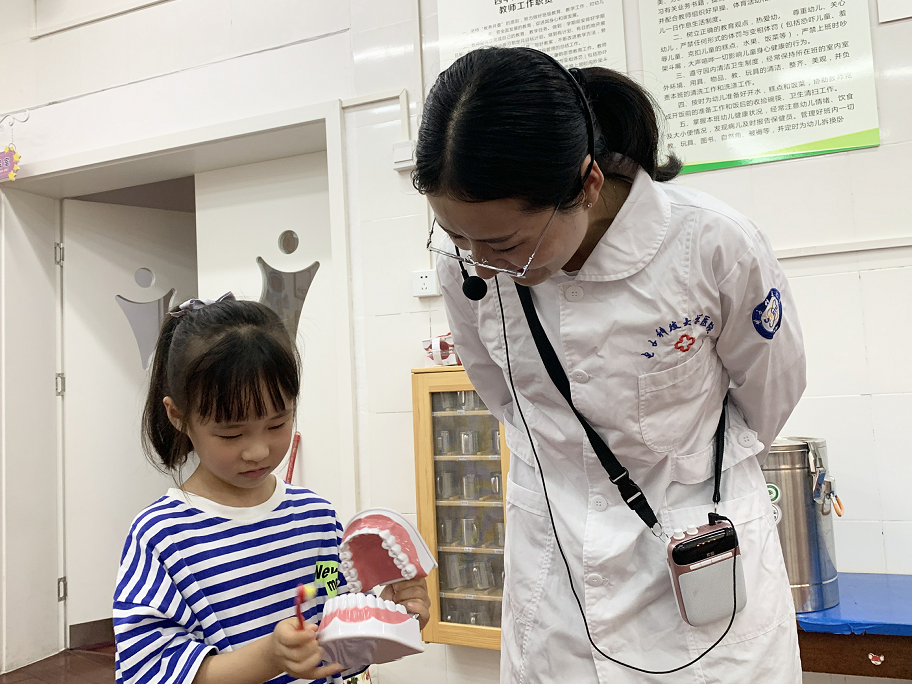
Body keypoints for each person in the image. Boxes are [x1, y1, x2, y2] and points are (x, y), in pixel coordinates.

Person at [414, 47, 806, 683]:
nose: (482, 264)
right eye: (458, 238)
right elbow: (503, 396)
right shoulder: (468, 270)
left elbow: (772, 392)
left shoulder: (711, 244)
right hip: (557, 569)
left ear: (588, 184)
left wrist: (680, 463)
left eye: (507, 244)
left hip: (697, 550)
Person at [113, 295, 430, 684]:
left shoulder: (316, 518)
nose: (258, 451)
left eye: (277, 424)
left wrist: (388, 622)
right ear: (178, 416)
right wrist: (270, 656)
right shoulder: (162, 536)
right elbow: (150, 672)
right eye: (231, 433)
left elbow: (338, 650)